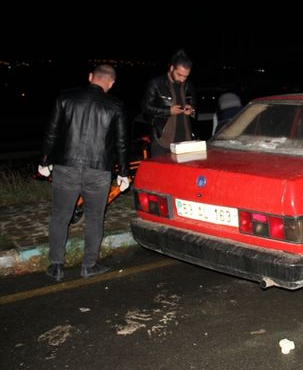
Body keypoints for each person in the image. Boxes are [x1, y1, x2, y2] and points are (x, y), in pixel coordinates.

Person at [38, 64, 129, 282]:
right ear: (111, 83)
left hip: (66, 167)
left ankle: (57, 266)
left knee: (61, 216)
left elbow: (52, 132)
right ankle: (89, 265)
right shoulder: (115, 105)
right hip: (98, 171)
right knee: (95, 218)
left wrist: (44, 161)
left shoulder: (65, 98)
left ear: (90, 77)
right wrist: (123, 172)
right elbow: (121, 142)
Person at [141, 49, 196, 156]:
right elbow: (145, 108)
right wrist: (168, 111)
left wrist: (192, 110)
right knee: (162, 172)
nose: (183, 79)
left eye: (186, 76)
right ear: (171, 68)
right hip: (163, 140)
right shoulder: (156, 83)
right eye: (180, 75)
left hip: (185, 139)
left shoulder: (188, 85)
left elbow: (194, 105)